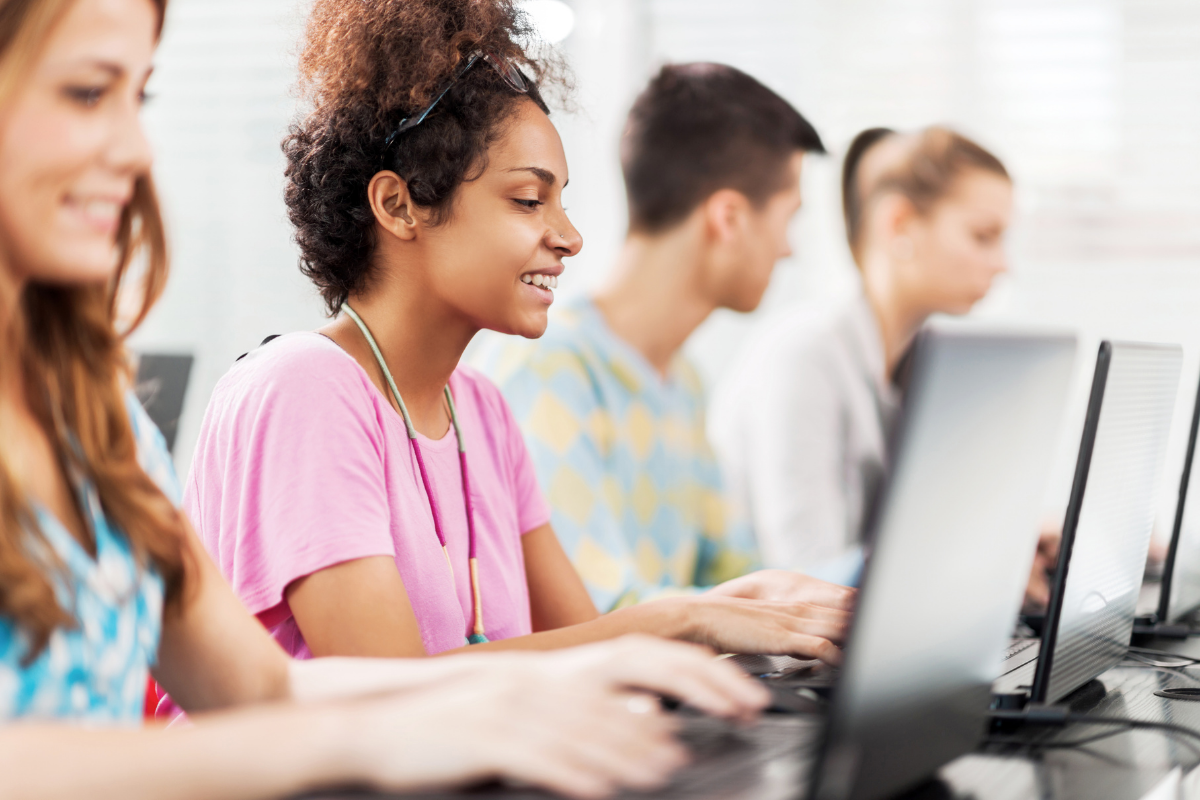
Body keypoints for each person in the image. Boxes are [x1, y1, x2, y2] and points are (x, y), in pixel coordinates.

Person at [0, 0, 774, 796]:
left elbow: (265, 690)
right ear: (397, 205)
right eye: (89, 93)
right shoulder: (300, 388)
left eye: (140, 99)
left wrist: (657, 634)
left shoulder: (99, 425)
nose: (136, 149)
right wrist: (388, 732)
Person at [184, 1, 853, 667]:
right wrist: (687, 617)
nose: (569, 236)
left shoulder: (482, 411)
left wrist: (751, 599)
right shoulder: (303, 388)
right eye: (529, 200)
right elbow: (386, 695)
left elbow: (591, 655)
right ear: (399, 205)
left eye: (561, 200)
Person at [475, 63, 835, 612]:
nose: (790, 249)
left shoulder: (683, 381)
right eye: (789, 219)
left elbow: (736, 572)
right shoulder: (546, 369)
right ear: (729, 219)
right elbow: (597, 613)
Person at [708, 126, 1016, 585]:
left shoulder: (923, 365)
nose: (1002, 263)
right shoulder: (805, 354)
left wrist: (1010, 549)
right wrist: (972, 564)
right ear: (900, 224)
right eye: (983, 235)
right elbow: (806, 574)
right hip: (768, 649)